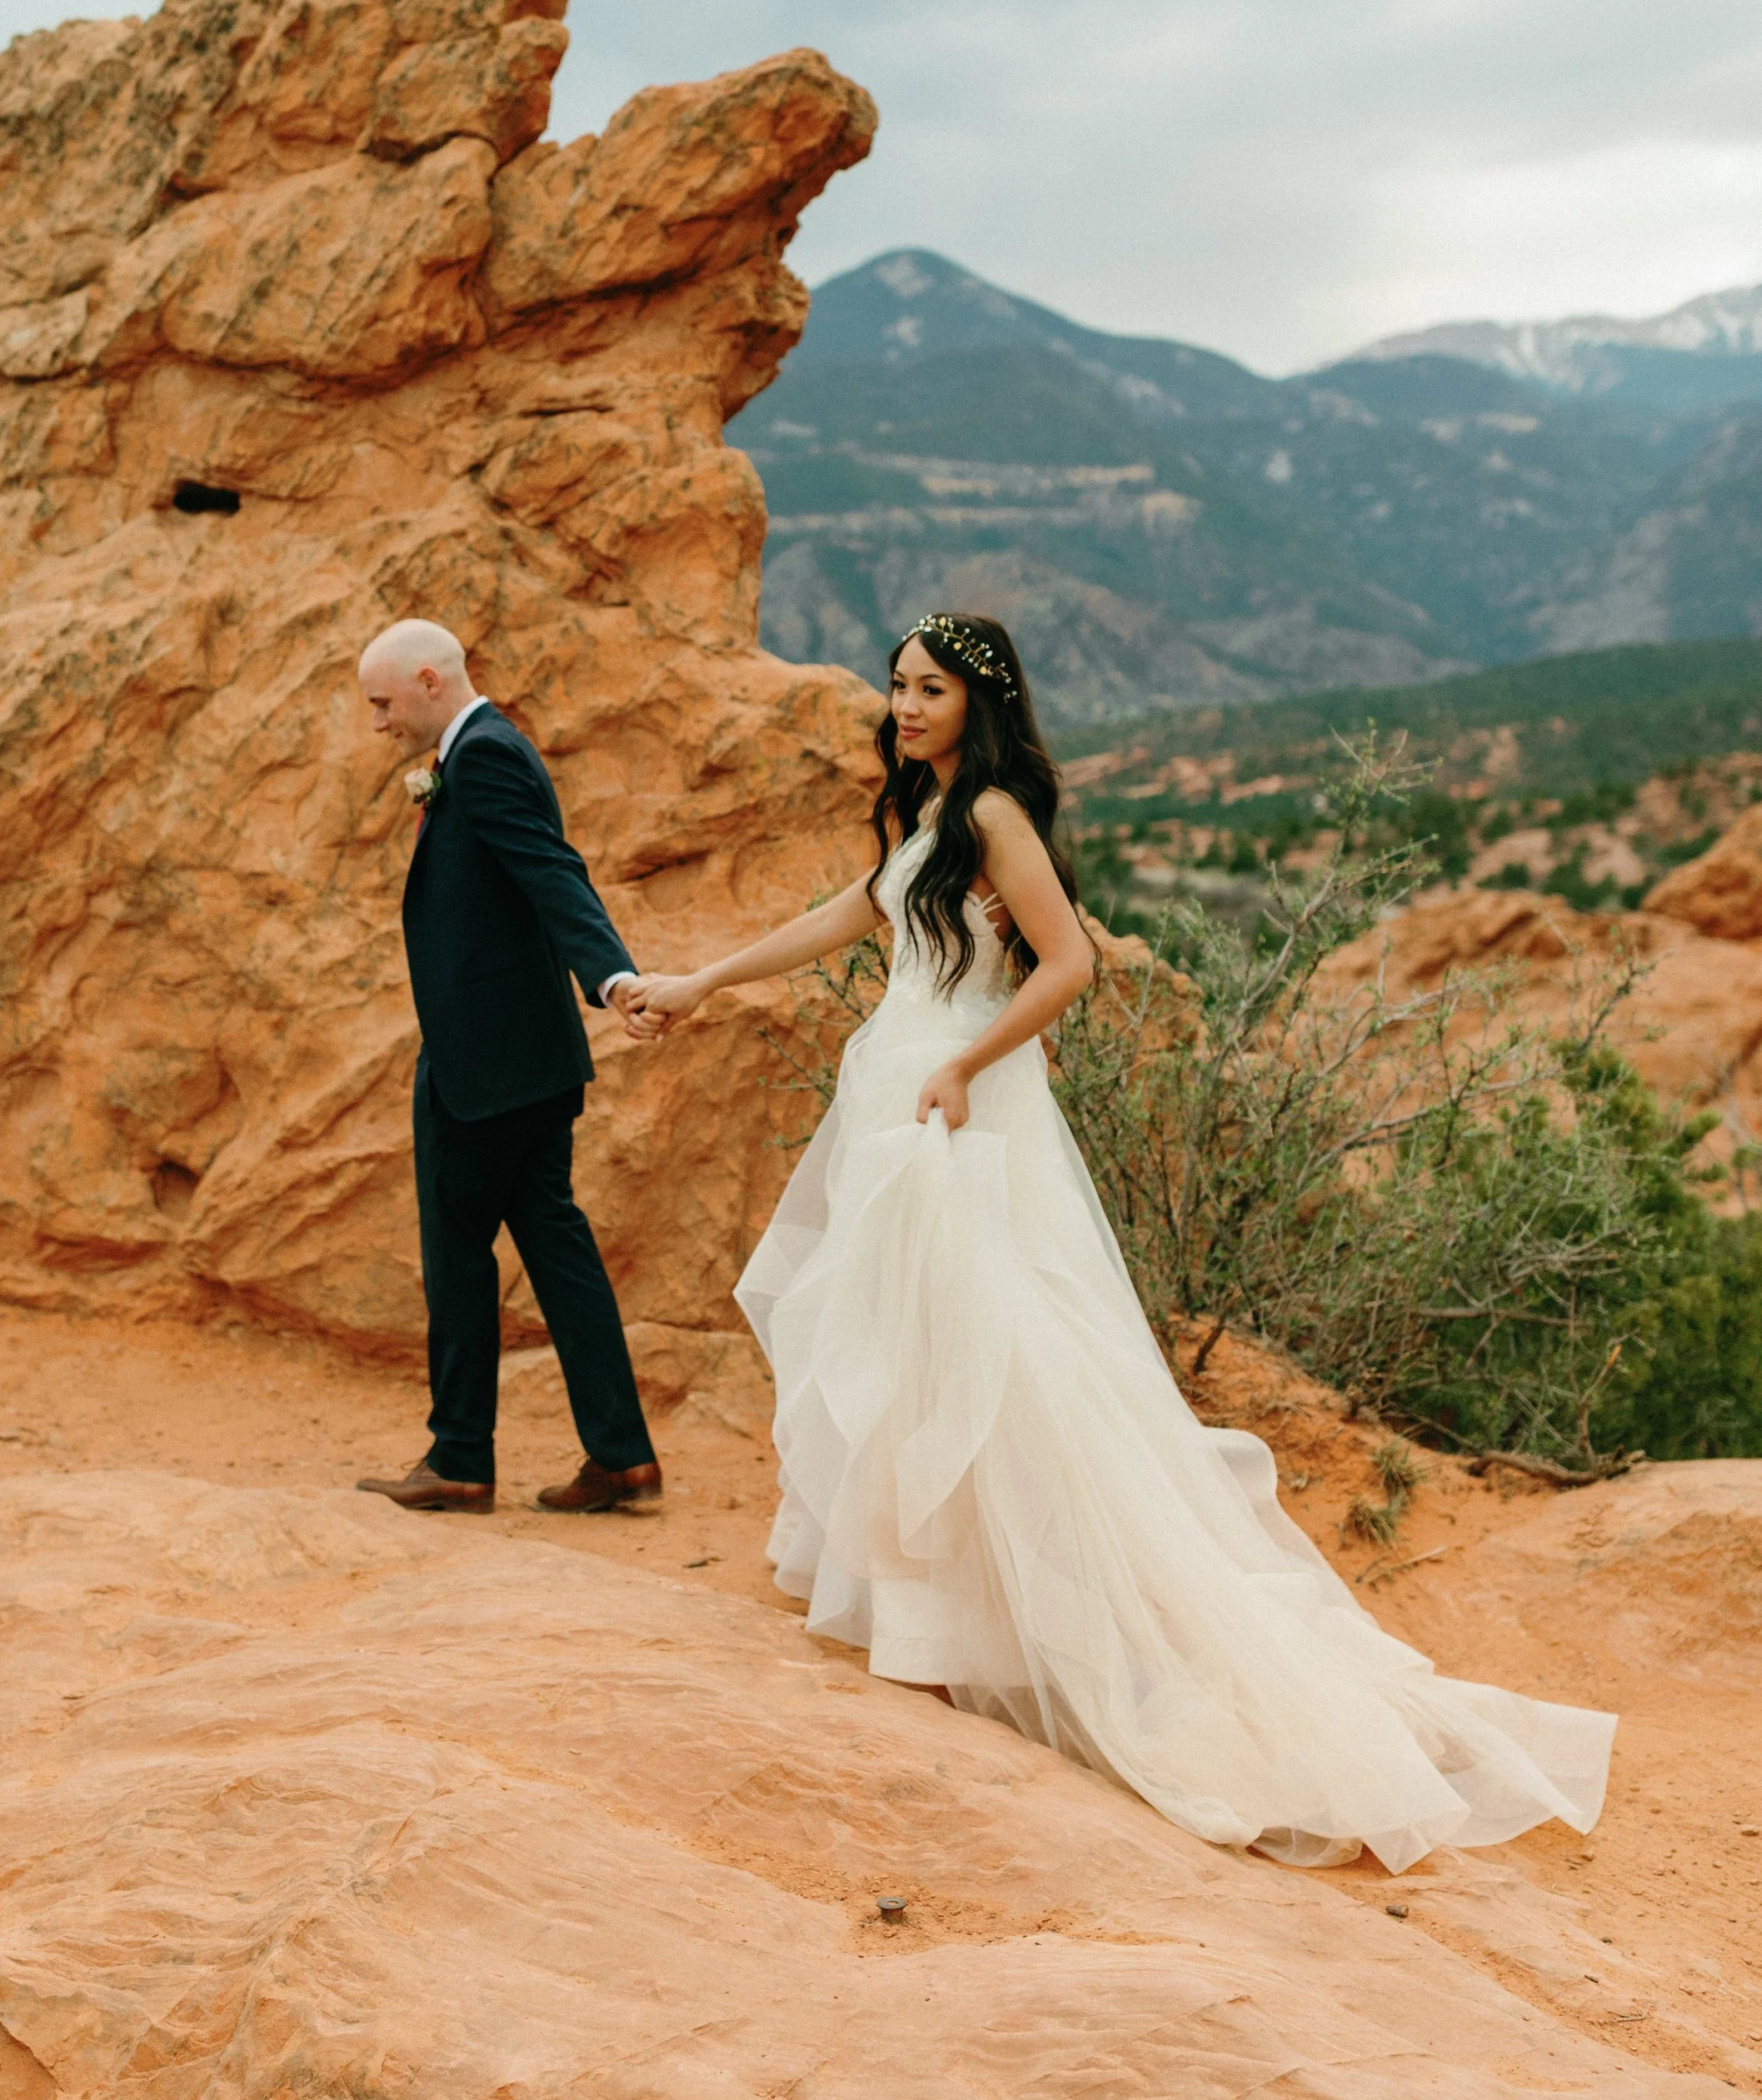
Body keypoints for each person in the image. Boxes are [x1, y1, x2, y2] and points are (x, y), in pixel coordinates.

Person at [624, 612, 1614, 1873]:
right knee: (912, 1348)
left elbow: (1069, 963)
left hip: (957, 1104)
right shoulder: (930, 810)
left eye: (929, 689)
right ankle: (937, 1617)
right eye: (898, 685)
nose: (905, 705)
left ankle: (1012, 1624)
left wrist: (966, 1062)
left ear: (978, 704)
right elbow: (846, 914)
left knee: (993, 1350)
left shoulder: (994, 815)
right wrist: (700, 982)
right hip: (901, 1090)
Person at [357, 618, 664, 1516]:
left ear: (428, 680)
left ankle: (460, 1457)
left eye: (383, 702)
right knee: (558, 1251)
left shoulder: (484, 754)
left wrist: (612, 977)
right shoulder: (487, 747)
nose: (378, 722)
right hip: (529, 1057)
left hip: (483, 1067)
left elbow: (551, 873)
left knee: (457, 1256)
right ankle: (622, 1454)